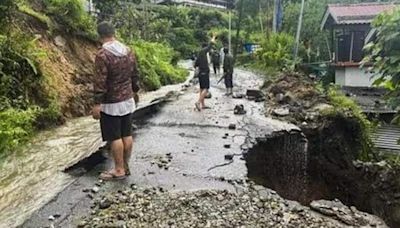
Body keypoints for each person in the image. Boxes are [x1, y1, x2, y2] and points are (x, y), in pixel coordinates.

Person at [92, 21, 140, 181]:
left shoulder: (102, 55)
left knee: (114, 137)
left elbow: (100, 81)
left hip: (110, 103)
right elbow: (135, 74)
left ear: (100, 36)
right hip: (127, 99)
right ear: (114, 33)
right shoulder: (128, 51)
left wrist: (97, 103)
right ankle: (125, 165)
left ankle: (118, 169)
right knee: (126, 134)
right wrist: (135, 90)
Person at [194, 36, 216, 111]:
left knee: (201, 89)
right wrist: (213, 37)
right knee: (206, 89)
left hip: (200, 73)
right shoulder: (203, 52)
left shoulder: (199, 54)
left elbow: (196, 64)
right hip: (204, 72)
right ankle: (198, 102)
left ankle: (203, 105)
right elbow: (210, 45)